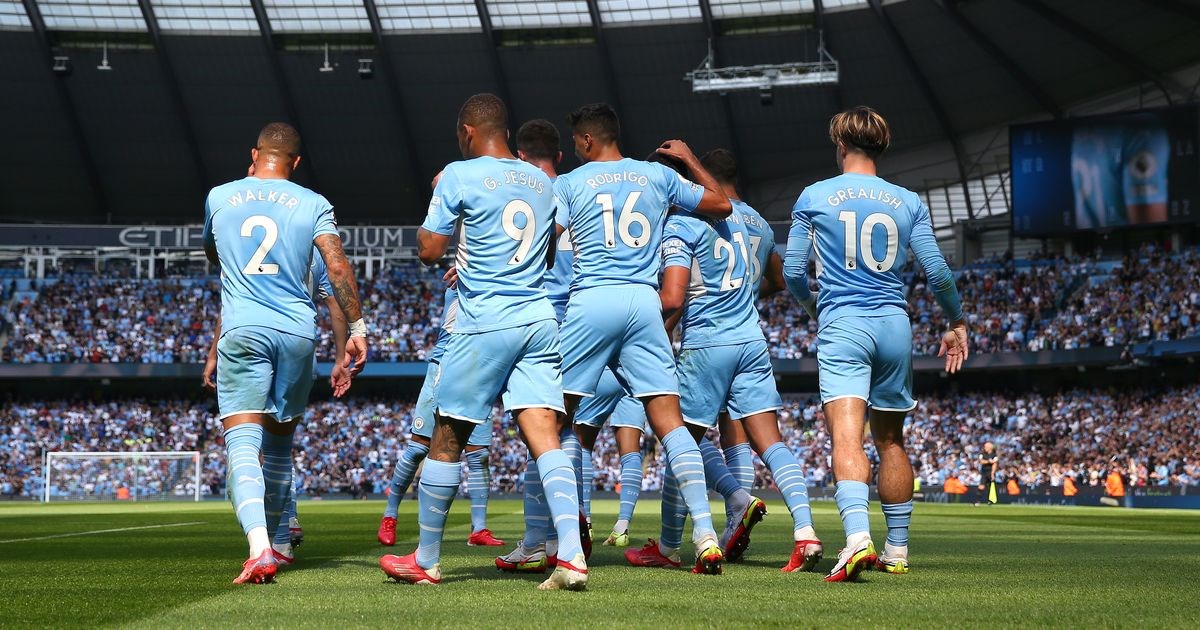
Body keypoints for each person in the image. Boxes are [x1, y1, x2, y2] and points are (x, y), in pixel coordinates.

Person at [379, 94, 586, 591]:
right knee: (545, 435)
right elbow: (550, 248)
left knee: (448, 437)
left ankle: (426, 560)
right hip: (538, 319)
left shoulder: (458, 173)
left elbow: (429, 250)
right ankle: (572, 557)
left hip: (484, 320)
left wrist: (456, 231)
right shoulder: (542, 181)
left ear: (467, 131)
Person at [783, 106, 968, 582]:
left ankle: (857, 539)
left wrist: (812, 308)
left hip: (845, 323)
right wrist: (956, 322)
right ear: (881, 147)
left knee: (847, 436)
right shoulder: (908, 200)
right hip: (894, 325)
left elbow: (792, 272)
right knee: (890, 440)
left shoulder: (814, 195)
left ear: (840, 145)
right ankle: (898, 549)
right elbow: (938, 272)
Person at [553, 103, 733, 575]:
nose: (575, 151)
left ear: (588, 141)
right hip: (643, 303)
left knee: (553, 421)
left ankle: (559, 536)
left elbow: (542, 238)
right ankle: (706, 534)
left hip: (592, 300)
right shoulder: (656, 175)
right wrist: (692, 160)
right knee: (671, 425)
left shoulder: (570, 183)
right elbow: (722, 204)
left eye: (576, 144)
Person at [632, 148, 822, 573]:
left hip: (707, 343)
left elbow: (674, 296)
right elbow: (777, 280)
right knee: (771, 443)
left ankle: (666, 547)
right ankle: (806, 533)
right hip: (752, 341)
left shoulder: (686, 221)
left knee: (680, 442)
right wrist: (744, 296)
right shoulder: (758, 221)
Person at [204, 122, 368, 585]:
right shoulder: (313, 204)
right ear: (295, 163)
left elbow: (216, 257)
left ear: (253, 154)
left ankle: (260, 548)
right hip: (297, 333)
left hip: (243, 329)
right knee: (279, 445)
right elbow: (335, 267)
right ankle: (279, 538)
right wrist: (357, 330)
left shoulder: (219, 197)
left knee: (242, 441)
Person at [496, 120, 647, 574]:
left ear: (521, 157)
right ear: (560, 156)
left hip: (544, 324)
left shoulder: (532, 197)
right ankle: (570, 521)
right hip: (593, 320)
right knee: (569, 432)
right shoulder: (581, 187)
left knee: (540, 432)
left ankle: (540, 539)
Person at [204, 245, 353, 565]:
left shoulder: (253, 247)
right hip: (297, 344)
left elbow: (229, 303)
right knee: (278, 447)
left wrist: (214, 353)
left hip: (249, 340)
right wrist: (341, 356)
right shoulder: (314, 256)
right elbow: (336, 305)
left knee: (251, 447)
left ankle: (270, 537)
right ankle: (284, 534)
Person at [376, 282, 503, 548]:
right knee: (417, 448)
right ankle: (390, 515)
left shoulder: (496, 280)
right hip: (444, 366)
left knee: (479, 454)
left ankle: (478, 528)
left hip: (480, 370)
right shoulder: (464, 281)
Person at [978, 441, 999, 506]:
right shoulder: (982, 454)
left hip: (990, 472)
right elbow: (981, 461)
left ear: (990, 448)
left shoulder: (994, 455)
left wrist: (992, 473)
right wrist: (989, 461)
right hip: (984, 472)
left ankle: (990, 501)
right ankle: (978, 501)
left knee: (991, 487)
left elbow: (995, 464)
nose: (984, 448)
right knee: (981, 486)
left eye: (986, 447)